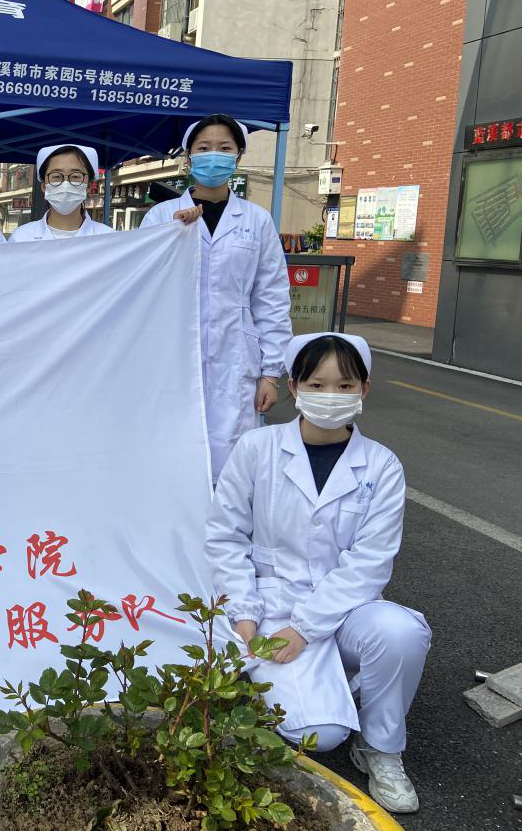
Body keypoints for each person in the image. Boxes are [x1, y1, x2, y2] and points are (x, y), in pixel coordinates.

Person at [206, 333, 429, 815]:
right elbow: (226, 537)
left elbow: (370, 563)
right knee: (320, 736)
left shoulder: (381, 466)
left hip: (344, 611)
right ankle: (328, 688)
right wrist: (244, 613)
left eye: (345, 386)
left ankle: (381, 747)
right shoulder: (257, 448)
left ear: (364, 390)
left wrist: (305, 629)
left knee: (401, 632)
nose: (331, 396)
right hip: (269, 607)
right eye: (317, 384)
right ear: (294, 386)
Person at [139, 114, 291, 481]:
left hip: (235, 356)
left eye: (224, 148)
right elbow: (140, 287)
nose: (214, 156)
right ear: (189, 156)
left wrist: (271, 374)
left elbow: (271, 298)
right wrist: (173, 236)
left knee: (231, 460)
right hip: (172, 352)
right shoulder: (162, 216)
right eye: (204, 148)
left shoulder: (256, 220)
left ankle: (226, 517)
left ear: (238, 156)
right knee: (171, 453)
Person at [8, 145, 112, 241]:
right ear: (44, 186)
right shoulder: (20, 238)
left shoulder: (109, 238)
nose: (65, 184)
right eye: (56, 176)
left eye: (75, 176)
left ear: (89, 186)